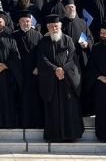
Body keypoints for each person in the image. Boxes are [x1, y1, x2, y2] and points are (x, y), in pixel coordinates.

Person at [37, 14, 84, 143]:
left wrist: (63, 69)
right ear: (48, 27)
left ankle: (71, 135)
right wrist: (55, 69)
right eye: (52, 26)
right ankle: (54, 135)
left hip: (67, 81)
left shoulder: (68, 40)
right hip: (51, 81)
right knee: (53, 109)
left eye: (56, 26)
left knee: (70, 108)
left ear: (60, 26)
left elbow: (73, 58)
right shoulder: (43, 42)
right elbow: (42, 59)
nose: (54, 28)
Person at [12, 11, 44, 128]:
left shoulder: (38, 35)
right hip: (19, 73)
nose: (26, 23)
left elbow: (42, 54)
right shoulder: (14, 36)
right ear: (19, 23)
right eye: (23, 21)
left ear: (31, 22)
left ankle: (36, 123)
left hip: (35, 73)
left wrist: (38, 67)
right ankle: (22, 123)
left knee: (35, 99)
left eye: (28, 21)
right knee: (21, 99)